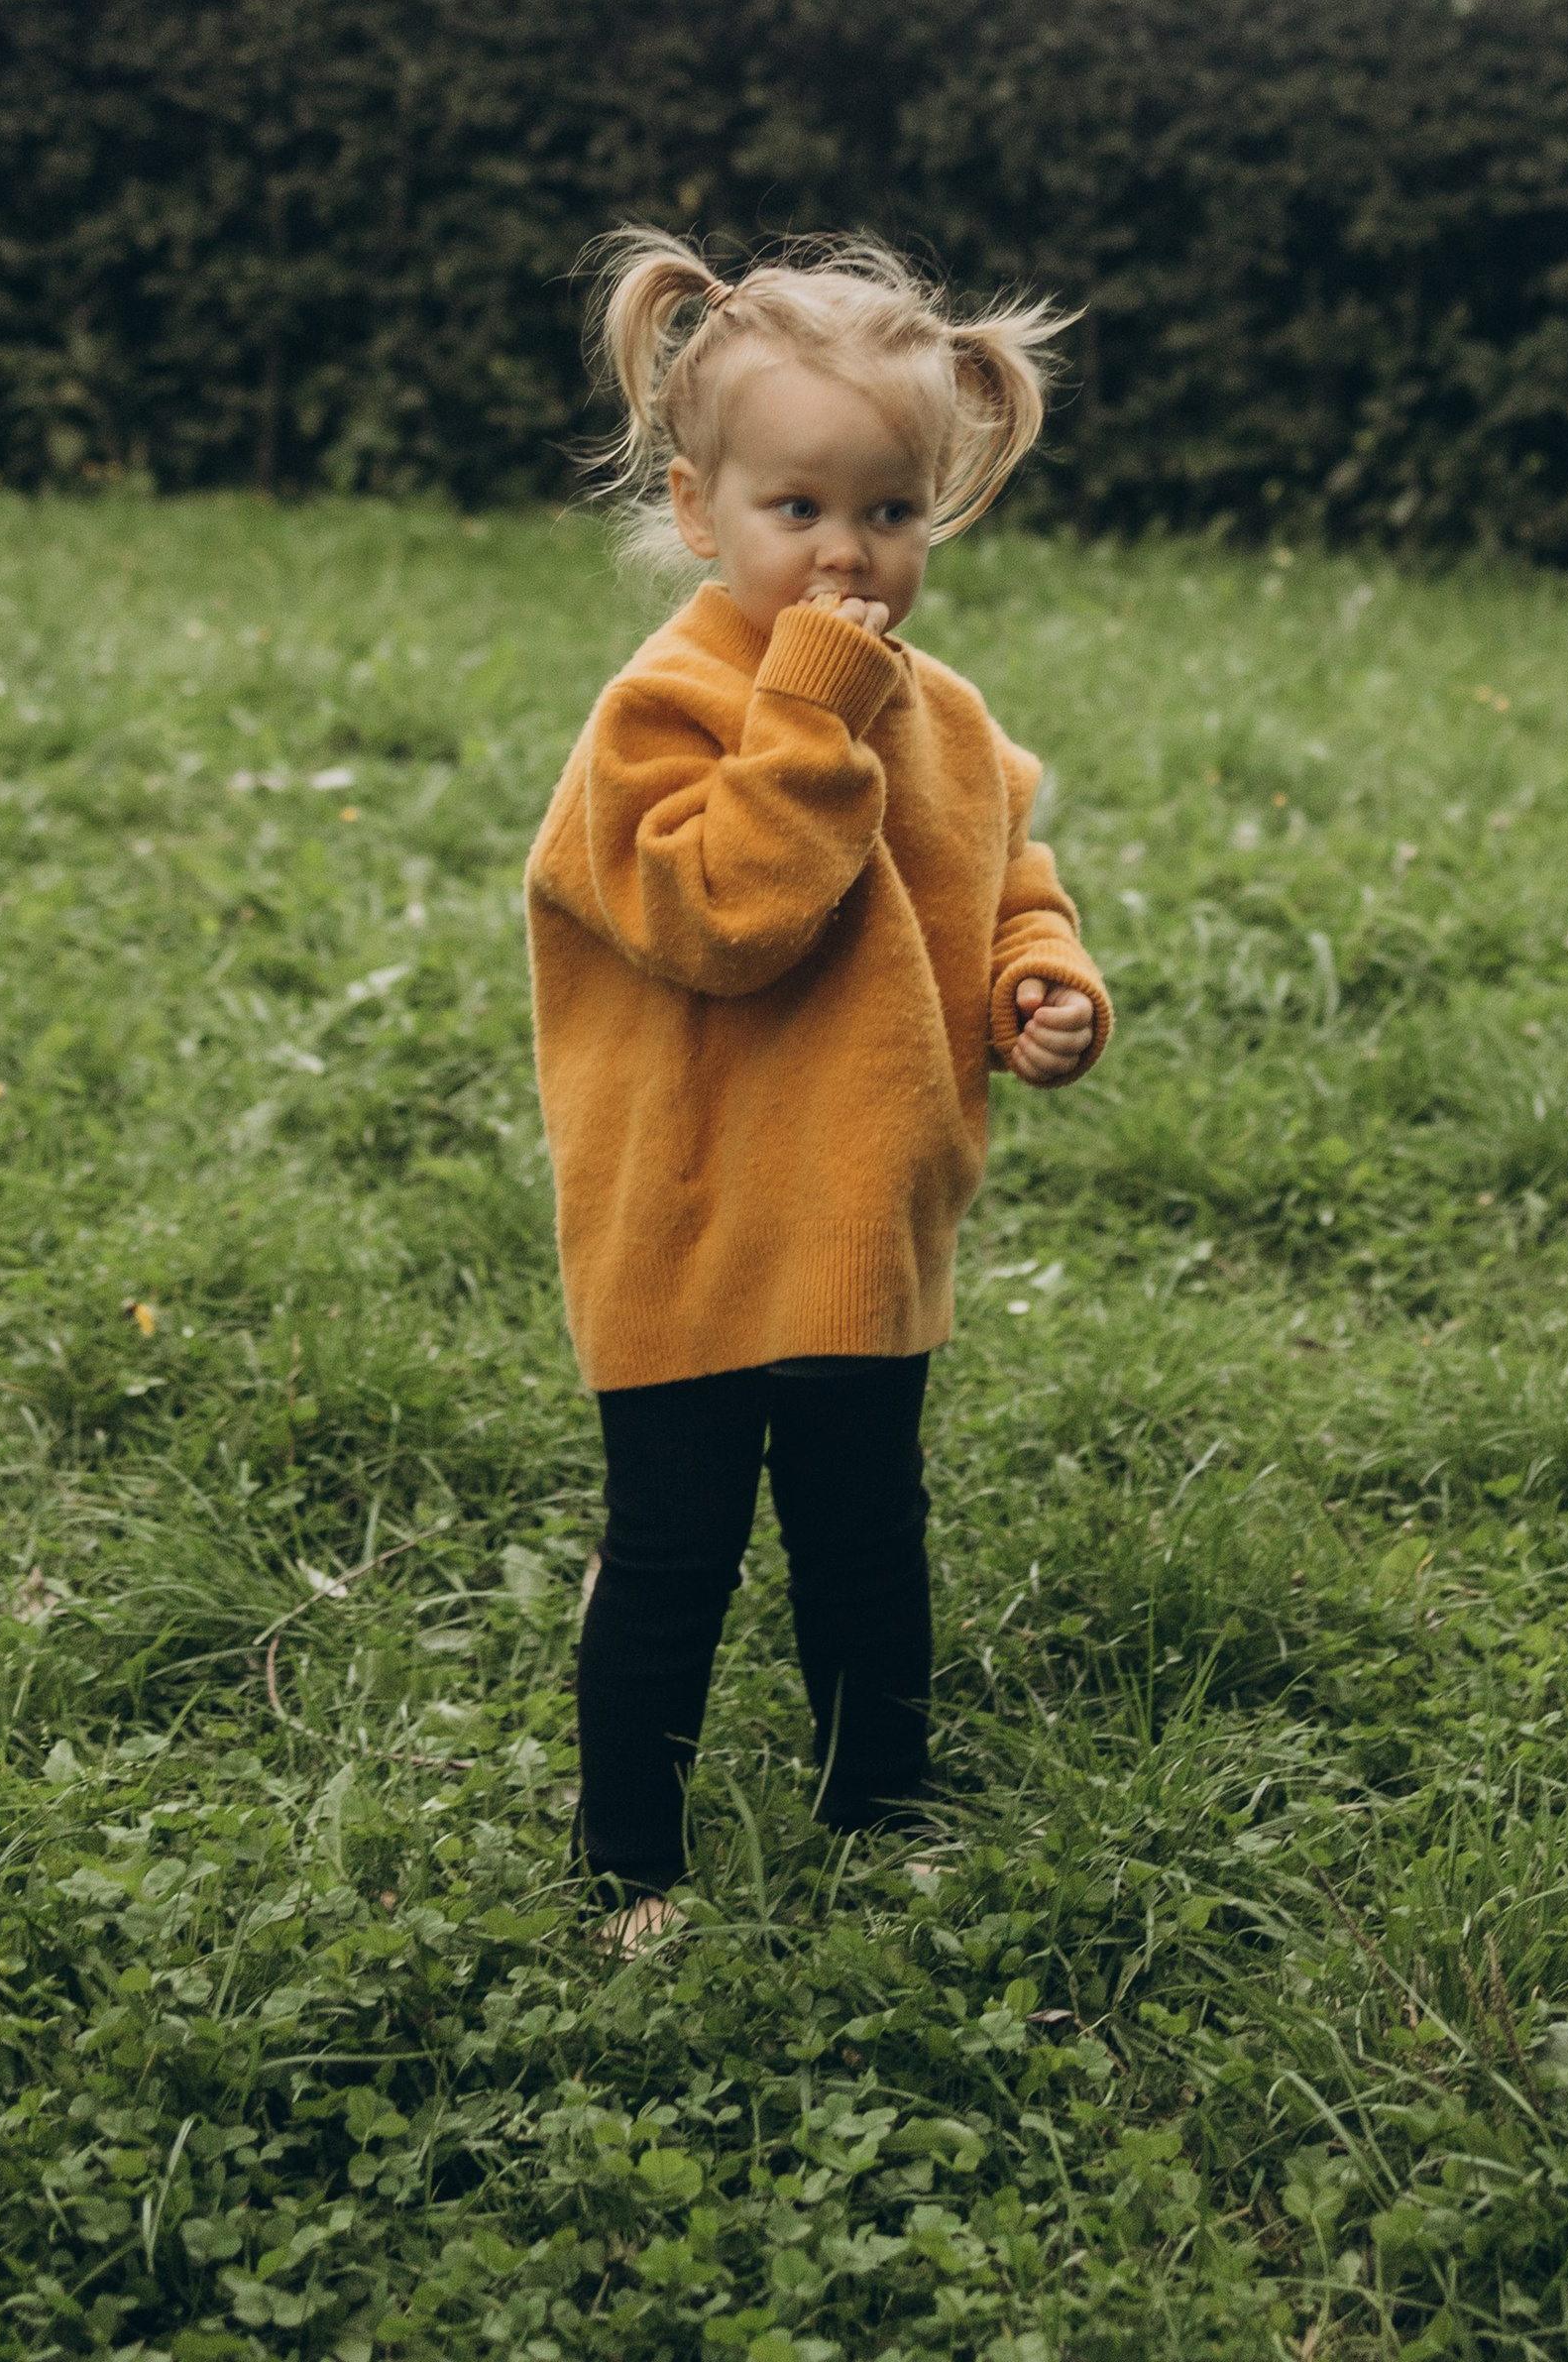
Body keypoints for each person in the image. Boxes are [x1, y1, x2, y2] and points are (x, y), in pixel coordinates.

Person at [525, 229, 1112, 1945]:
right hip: (692, 1224)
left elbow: (1003, 876)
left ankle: (881, 1803)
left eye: (891, 509)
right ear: (700, 510)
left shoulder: (945, 716)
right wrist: (806, 712)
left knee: (867, 1540)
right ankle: (630, 1865)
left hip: (863, 1213)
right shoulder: (663, 713)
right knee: (674, 1554)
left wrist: (1039, 980)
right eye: (799, 508)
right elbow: (724, 919)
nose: (848, 553)